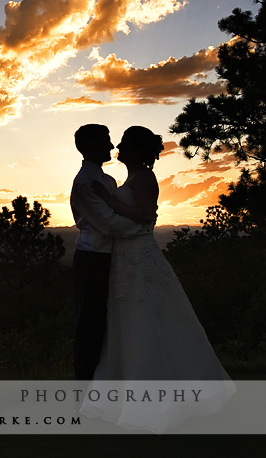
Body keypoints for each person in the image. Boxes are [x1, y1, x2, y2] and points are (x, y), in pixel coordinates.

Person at [80, 125, 235, 432]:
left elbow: (146, 215)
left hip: (140, 257)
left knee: (149, 320)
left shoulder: (145, 177)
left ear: (136, 149)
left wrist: (111, 202)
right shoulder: (131, 178)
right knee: (127, 324)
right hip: (125, 259)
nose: (118, 147)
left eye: (123, 143)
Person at [70, 124, 153, 381]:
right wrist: (143, 226)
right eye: (106, 140)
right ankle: (84, 386)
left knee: (109, 323)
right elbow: (109, 223)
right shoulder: (85, 182)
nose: (111, 145)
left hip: (112, 259)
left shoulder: (107, 180)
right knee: (91, 324)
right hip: (93, 258)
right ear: (92, 144)